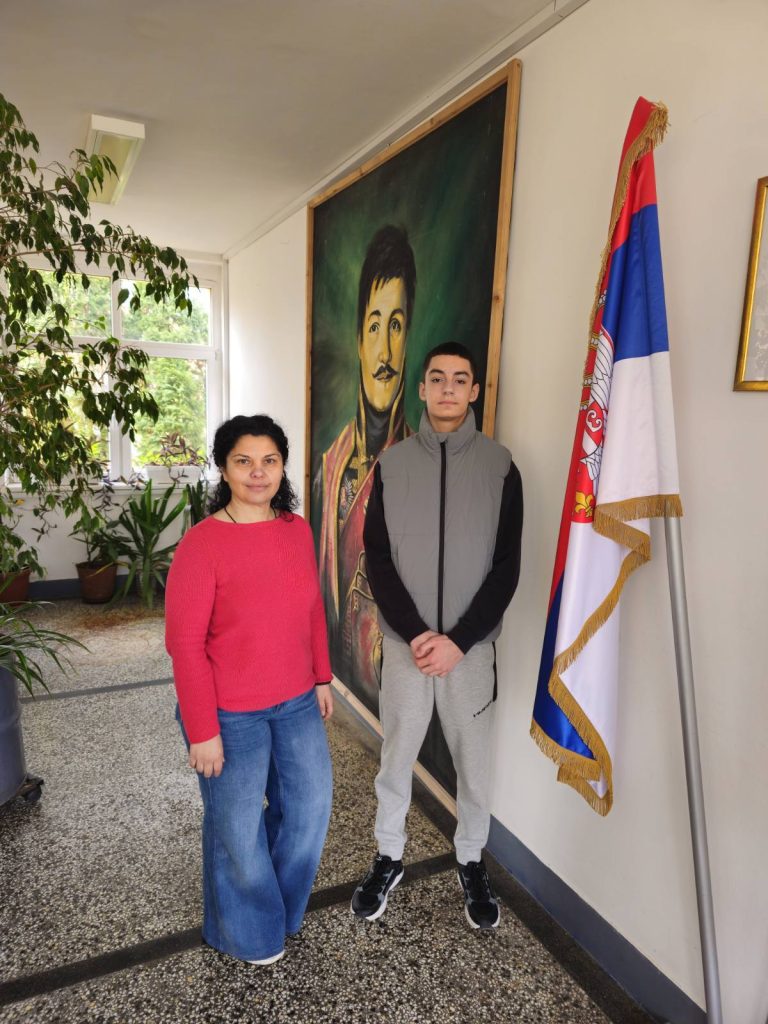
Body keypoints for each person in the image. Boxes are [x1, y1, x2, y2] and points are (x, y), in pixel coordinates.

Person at [351, 342, 523, 930]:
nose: (448, 388)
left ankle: (471, 859)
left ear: (474, 390)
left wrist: (459, 640)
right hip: (407, 648)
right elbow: (377, 557)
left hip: (470, 652)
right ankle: (388, 856)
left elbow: (507, 567)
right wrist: (419, 633)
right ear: (422, 388)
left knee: (474, 763)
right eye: (438, 378)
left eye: (460, 379)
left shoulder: (501, 467)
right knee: (396, 756)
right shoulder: (392, 466)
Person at [166, 414, 333, 965]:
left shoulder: (296, 529)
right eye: (244, 461)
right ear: (224, 468)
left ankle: (276, 911)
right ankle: (250, 932)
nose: (257, 473)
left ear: (282, 467)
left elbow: (312, 609)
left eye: (269, 461)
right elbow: (185, 645)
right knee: (237, 829)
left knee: (309, 809)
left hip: (297, 701)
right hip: (229, 713)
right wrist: (202, 730)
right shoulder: (201, 544)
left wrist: (322, 676)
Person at [316, 225, 416, 701]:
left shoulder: (417, 467)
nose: (385, 352)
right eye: (375, 326)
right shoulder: (330, 465)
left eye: (396, 325)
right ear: (359, 339)